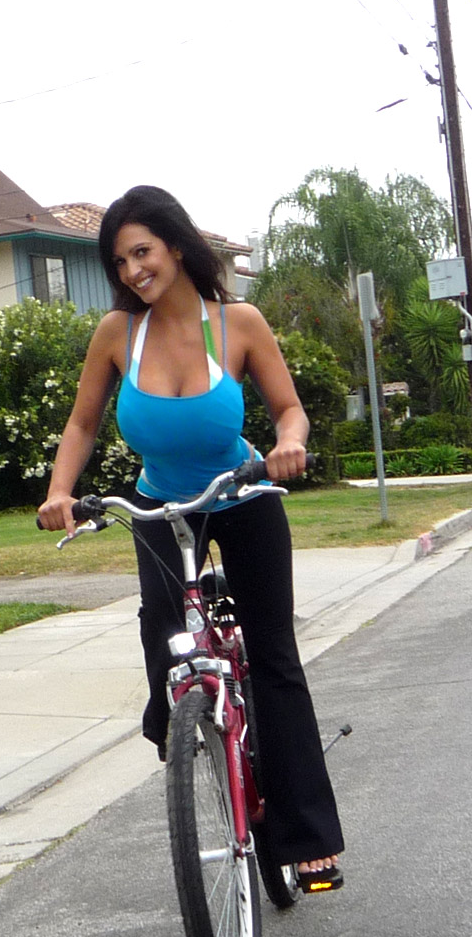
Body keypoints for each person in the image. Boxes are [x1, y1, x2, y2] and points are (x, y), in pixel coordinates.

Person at [38, 184, 345, 889]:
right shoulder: (118, 334)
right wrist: (59, 492)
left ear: (175, 247)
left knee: (273, 657)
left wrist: (289, 444)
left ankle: (307, 839)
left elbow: (289, 410)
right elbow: (83, 423)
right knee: (161, 628)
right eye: (120, 262)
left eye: (141, 252)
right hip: (161, 502)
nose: (132, 270)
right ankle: (182, 726)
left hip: (242, 493)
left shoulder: (237, 323)